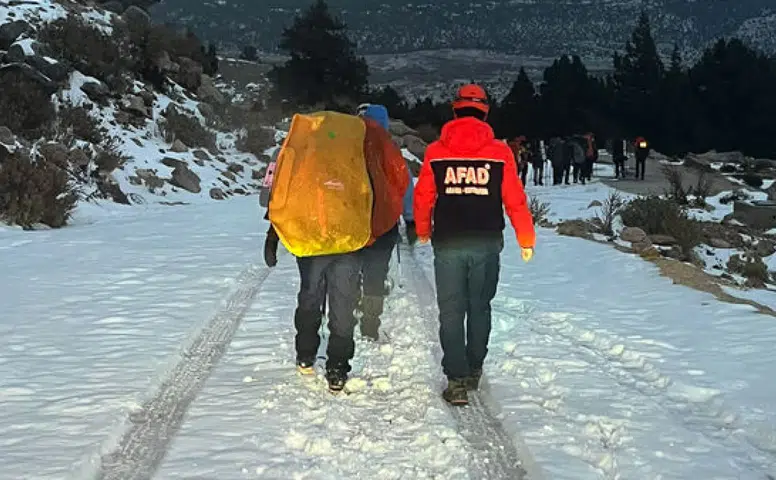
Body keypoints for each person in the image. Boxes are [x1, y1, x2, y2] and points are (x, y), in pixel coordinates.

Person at [413, 84, 536, 406]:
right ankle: (474, 369)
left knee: (451, 311)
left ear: (455, 110)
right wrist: (526, 238)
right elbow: (515, 200)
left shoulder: (436, 151)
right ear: (485, 112)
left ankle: (455, 381)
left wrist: (423, 230)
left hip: (449, 241)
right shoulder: (499, 152)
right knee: (479, 307)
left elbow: (424, 195)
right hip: (486, 241)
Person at [355, 103, 415, 341]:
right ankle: (370, 322)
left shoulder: (349, 145)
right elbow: (405, 184)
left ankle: (349, 305)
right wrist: (409, 218)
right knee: (376, 272)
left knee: (350, 266)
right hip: (383, 222)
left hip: (353, 219)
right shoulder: (390, 148)